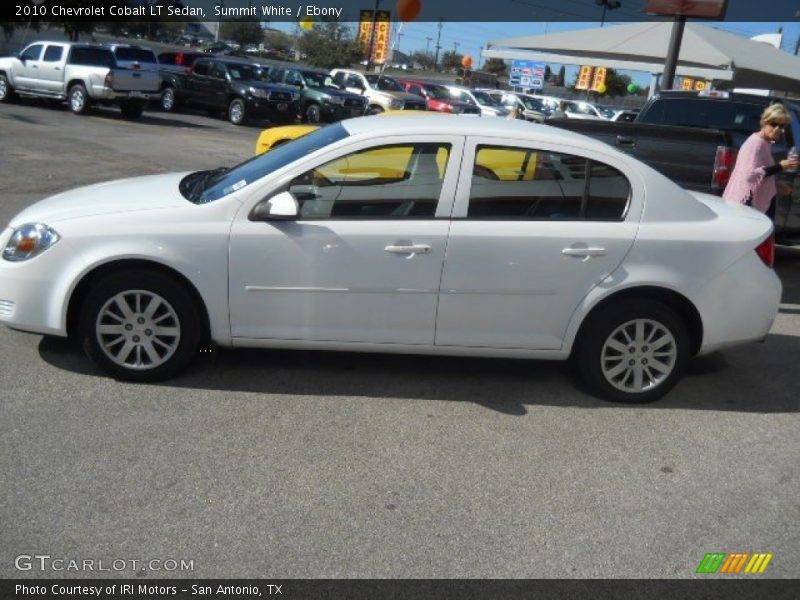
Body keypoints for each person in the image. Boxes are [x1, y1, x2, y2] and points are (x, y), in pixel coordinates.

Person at [722, 103, 798, 219]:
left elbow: (762, 173)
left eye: (781, 126)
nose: (777, 129)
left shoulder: (765, 143)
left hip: (752, 203)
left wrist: (776, 184)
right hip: (747, 204)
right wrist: (780, 166)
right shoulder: (756, 143)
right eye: (773, 124)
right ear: (765, 122)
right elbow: (749, 175)